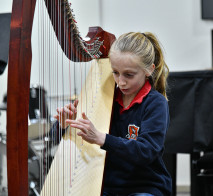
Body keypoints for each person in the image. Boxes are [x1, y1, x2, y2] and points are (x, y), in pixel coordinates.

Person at [55, 32, 172, 196]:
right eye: (115, 73)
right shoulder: (104, 98)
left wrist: (102, 138)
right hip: (108, 187)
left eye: (129, 75)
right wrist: (63, 124)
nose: (121, 81)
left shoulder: (155, 103)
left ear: (149, 70)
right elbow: (59, 141)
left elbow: (147, 151)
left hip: (145, 187)